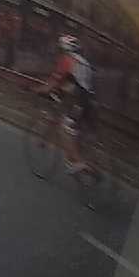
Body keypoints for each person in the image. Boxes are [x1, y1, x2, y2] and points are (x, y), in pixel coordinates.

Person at [35, 34, 95, 173]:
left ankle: (77, 162)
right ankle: (76, 152)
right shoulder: (83, 62)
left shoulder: (67, 60)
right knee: (74, 126)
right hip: (88, 99)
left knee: (64, 128)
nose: (59, 52)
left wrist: (40, 90)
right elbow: (73, 83)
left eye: (60, 49)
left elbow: (54, 82)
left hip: (79, 100)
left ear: (64, 49)